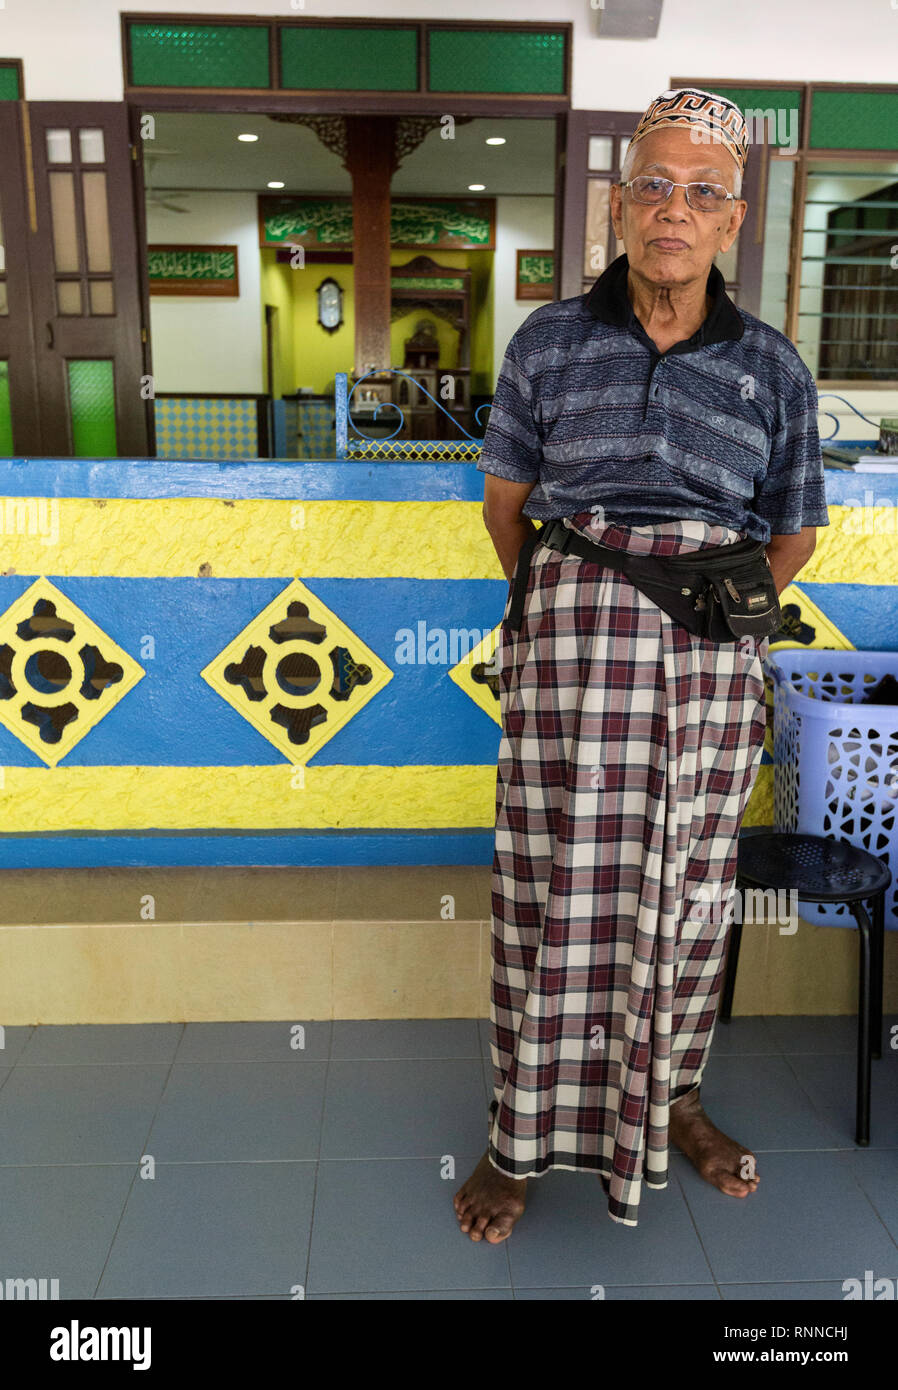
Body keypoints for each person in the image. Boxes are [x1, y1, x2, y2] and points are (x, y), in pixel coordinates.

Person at [454, 88, 829, 1241]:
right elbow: (507, 510)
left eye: (701, 190)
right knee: (547, 887)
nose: (675, 207)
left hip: (709, 659)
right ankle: (517, 1136)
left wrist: (694, 613)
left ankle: (672, 1100)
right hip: (570, 652)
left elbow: (794, 530)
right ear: (620, 205)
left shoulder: (772, 366)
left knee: (685, 894)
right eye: (654, 185)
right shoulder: (548, 341)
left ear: (734, 219)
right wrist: (582, 605)